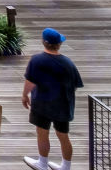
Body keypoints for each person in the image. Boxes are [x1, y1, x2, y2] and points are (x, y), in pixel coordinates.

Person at [22, 28, 84, 170]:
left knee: (42, 133)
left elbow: (30, 82)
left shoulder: (37, 60)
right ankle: (66, 167)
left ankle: (42, 163)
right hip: (63, 106)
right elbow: (75, 85)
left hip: (42, 104)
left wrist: (24, 95)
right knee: (63, 136)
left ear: (43, 42)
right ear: (59, 44)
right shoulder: (68, 63)